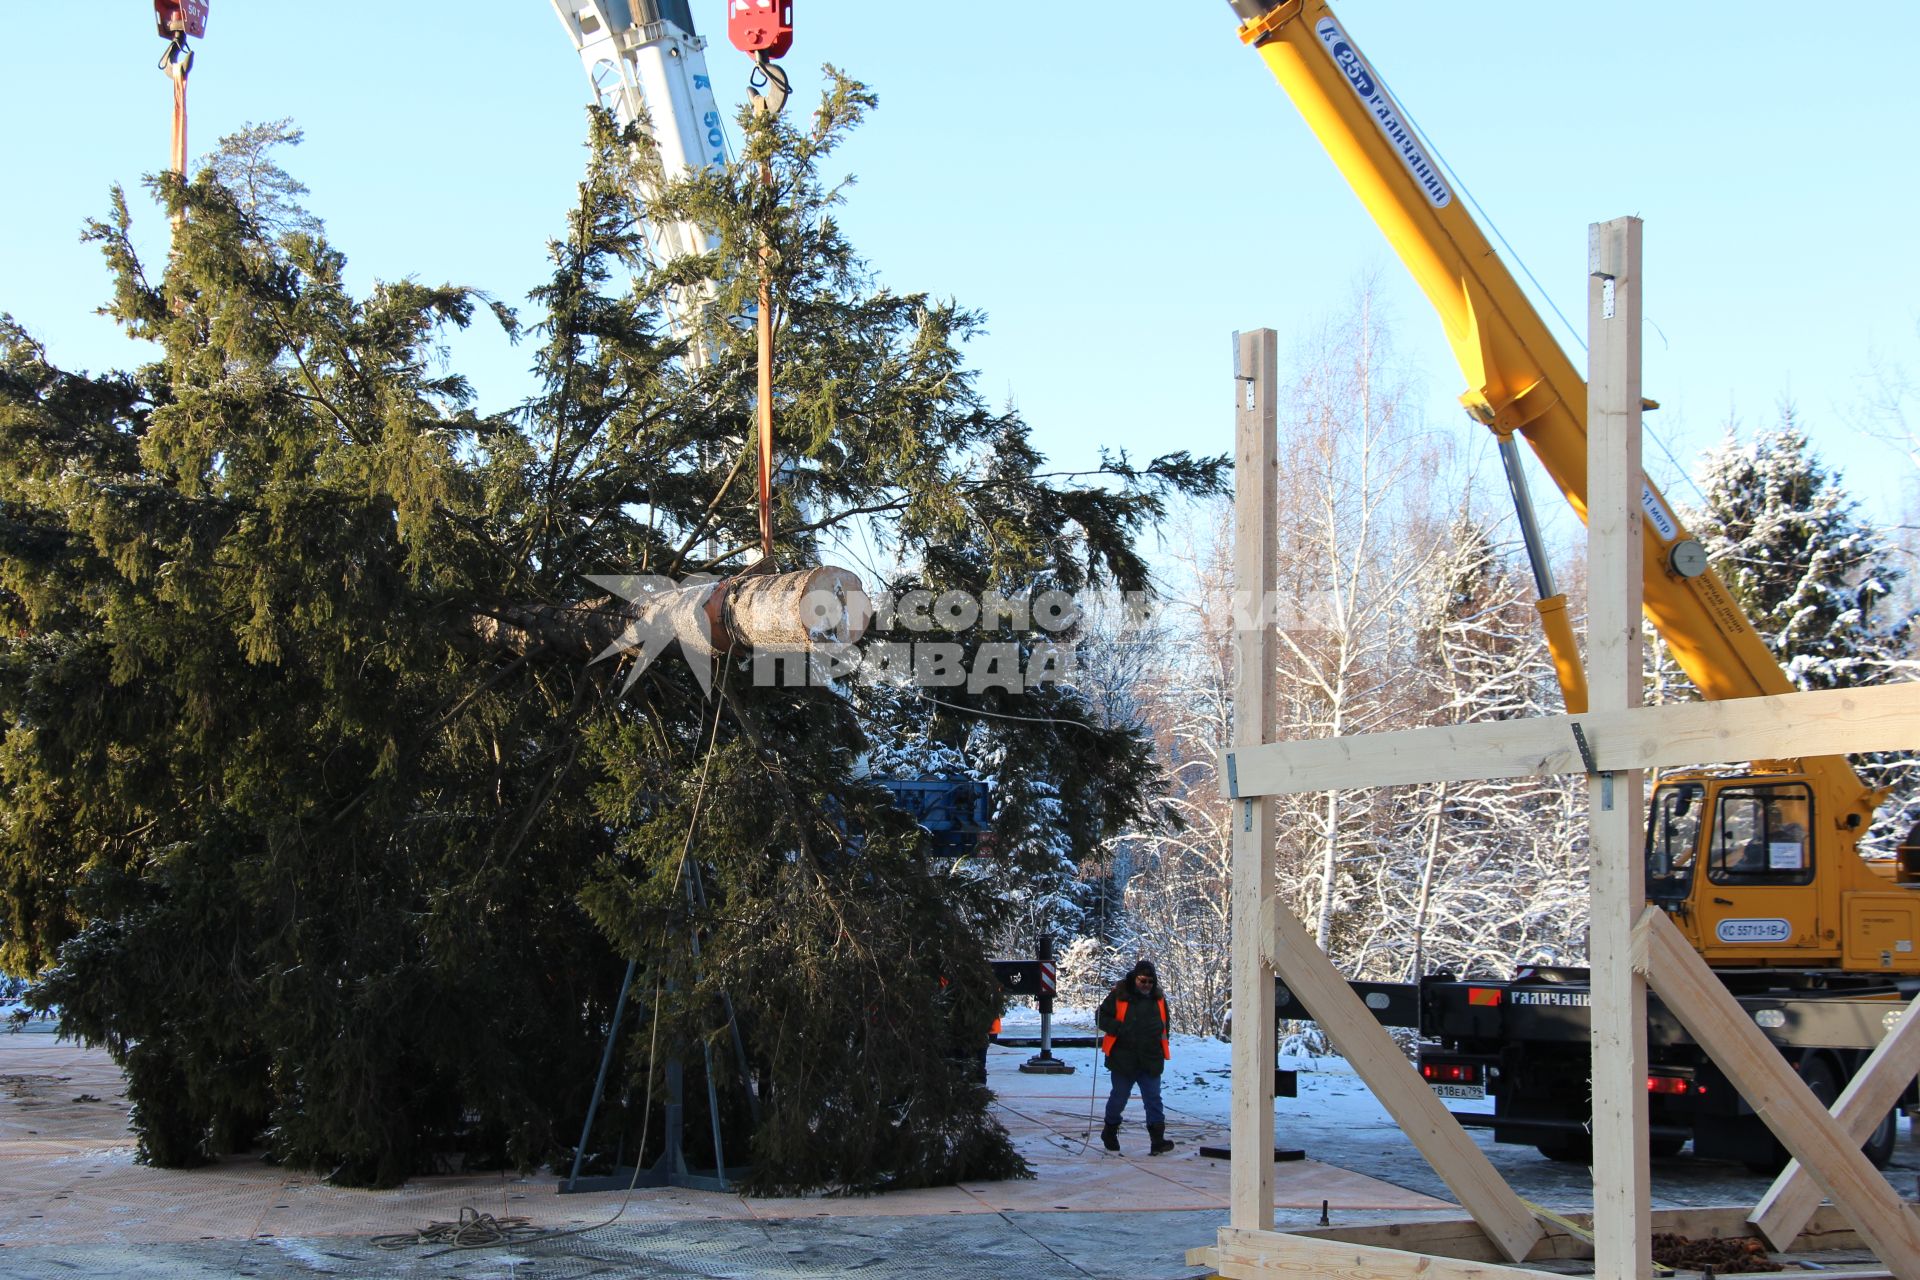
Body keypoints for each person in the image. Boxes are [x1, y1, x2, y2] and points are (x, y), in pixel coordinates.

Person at [1096, 959, 1174, 1155]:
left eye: (1150, 981)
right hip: (1123, 1059)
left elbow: (1165, 1027)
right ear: (1134, 978)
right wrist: (1117, 1028)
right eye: (1142, 980)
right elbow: (1100, 1016)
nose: (1146, 985)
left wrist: (1159, 1048)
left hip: (1150, 1058)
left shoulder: (1159, 999)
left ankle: (1157, 1140)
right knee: (1119, 1097)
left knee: (1153, 1099)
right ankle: (1110, 1131)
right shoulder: (1119, 995)